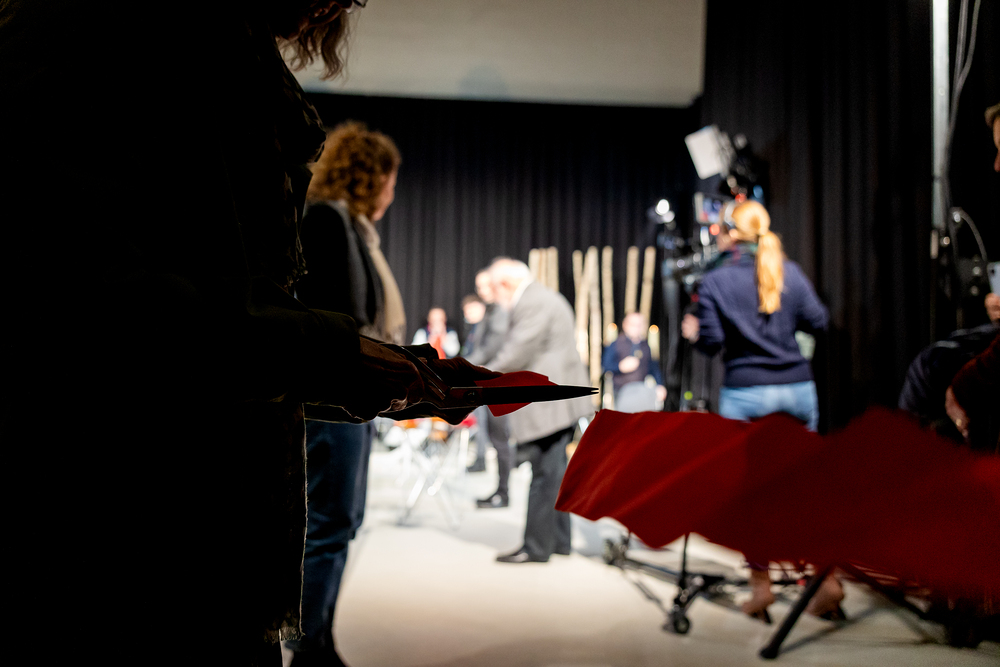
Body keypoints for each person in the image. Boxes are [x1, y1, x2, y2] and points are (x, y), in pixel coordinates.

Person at [1, 2, 492, 664]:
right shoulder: (107, 35)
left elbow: (226, 312)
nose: (336, 5)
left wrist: (375, 367)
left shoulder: (216, 66)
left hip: (206, 522)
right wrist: (348, 359)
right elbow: (102, 303)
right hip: (115, 525)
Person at [680, 200, 836, 620]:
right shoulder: (789, 270)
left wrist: (695, 333)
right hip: (798, 390)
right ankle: (828, 583)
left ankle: (761, 589)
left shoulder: (715, 281)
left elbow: (712, 342)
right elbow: (820, 321)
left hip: (747, 392)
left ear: (731, 233)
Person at [290, 121, 406, 666]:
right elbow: (335, 319)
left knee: (342, 522)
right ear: (370, 175)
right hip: (332, 400)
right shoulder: (327, 219)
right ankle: (308, 645)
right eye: (390, 181)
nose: (392, 194)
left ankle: (319, 640)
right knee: (329, 524)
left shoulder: (349, 227)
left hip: (349, 398)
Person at [486, 259, 594, 563]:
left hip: (551, 404)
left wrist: (474, 377)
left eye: (494, 288)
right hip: (558, 401)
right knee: (554, 473)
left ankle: (535, 547)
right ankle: (559, 541)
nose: (493, 296)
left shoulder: (532, 301)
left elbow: (516, 353)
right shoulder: (542, 297)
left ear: (505, 284)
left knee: (544, 475)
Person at [463, 269, 514, 505]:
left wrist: (461, 366)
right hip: (491, 381)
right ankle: (501, 491)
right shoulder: (492, 311)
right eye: (479, 287)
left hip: (499, 383)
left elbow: (490, 348)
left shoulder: (500, 312)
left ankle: (503, 493)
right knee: (497, 439)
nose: (482, 291)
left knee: (501, 441)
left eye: (485, 286)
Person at [601, 312, 667, 412]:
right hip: (621, 392)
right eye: (633, 324)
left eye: (639, 325)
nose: (636, 328)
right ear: (625, 325)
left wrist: (660, 385)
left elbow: (654, 368)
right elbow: (605, 366)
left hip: (642, 392)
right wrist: (620, 367)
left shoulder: (645, 346)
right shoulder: (616, 344)